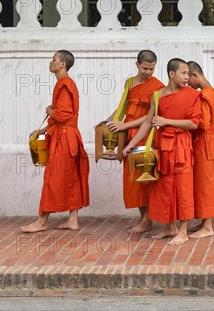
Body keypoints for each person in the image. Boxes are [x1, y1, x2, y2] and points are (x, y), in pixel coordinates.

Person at [123, 58, 201, 245]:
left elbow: (193, 123)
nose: (187, 77)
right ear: (171, 74)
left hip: (181, 145)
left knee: (182, 189)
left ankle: (182, 230)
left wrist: (167, 122)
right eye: (183, 73)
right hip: (162, 146)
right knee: (163, 188)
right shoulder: (157, 95)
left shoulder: (191, 94)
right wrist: (131, 144)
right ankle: (169, 227)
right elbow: (148, 122)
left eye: (188, 73)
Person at [21, 50, 90, 232]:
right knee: (71, 177)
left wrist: (49, 110)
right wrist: (43, 130)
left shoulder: (65, 83)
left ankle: (42, 221)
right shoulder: (64, 83)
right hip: (69, 135)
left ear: (62, 64)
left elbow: (63, 114)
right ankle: (73, 220)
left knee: (53, 178)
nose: (50, 62)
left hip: (65, 138)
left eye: (54, 60)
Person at [103, 50, 164, 233]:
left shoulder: (158, 87)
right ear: (137, 65)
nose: (148, 72)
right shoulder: (129, 83)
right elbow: (123, 107)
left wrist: (125, 125)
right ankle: (142, 216)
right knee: (132, 179)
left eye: (152, 69)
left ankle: (147, 220)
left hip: (146, 136)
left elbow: (150, 116)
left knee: (144, 178)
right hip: (128, 133)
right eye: (145, 68)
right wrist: (107, 123)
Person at [186, 61, 214, 238]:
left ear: (196, 75)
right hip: (209, 140)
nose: (188, 84)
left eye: (189, 80)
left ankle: (208, 226)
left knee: (205, 183)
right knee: (205, 181)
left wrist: (185, 121)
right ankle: (204, 221)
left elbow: (202, 123)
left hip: (205, 141)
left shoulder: (204, 95)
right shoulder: (213, 92)